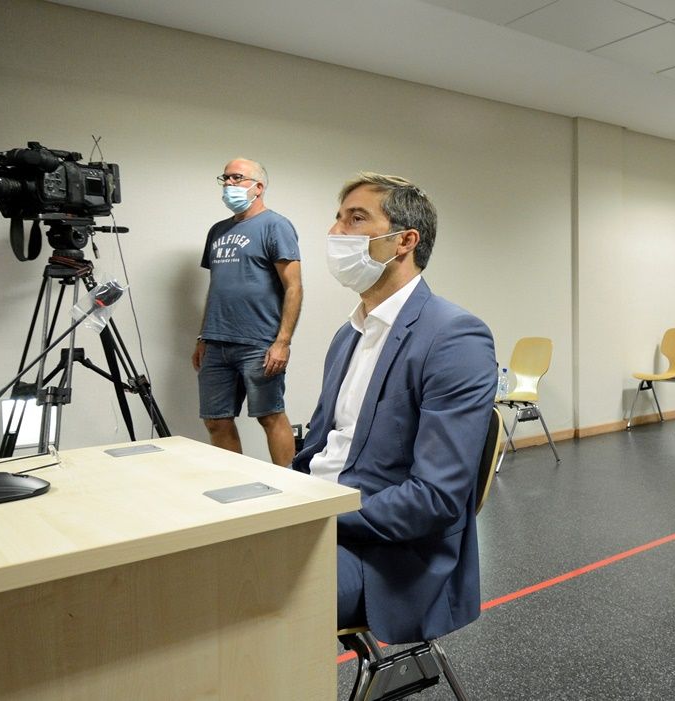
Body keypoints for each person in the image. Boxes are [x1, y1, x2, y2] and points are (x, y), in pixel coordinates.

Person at [291, 172, 496, 644]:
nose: (335, 233)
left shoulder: (454, 337)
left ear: (404, 240)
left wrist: (314, 516)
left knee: (235, 589)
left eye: (355, 218)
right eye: (337, 218)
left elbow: (436, 499)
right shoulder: (349, 334)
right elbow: (321, 451)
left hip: (387, 556)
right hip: (319, 519)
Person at [193, 158, 302, 466]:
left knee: (269, 416)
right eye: (224, 178)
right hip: (216, 342)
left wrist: (282, 341)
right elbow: (217, 287)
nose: (228, 184)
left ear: (258, 187)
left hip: (259, 342)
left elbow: (294, 287)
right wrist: (203, 337)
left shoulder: (275, 225)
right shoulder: (218, 231)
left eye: (236, 177)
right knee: (216, 420)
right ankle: (235, 484)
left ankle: (292, 491)